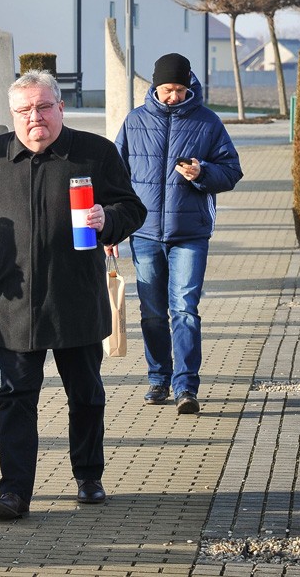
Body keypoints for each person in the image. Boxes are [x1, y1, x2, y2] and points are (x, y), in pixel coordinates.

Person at [0, 71, 145, 520]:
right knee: (16, 396)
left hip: (75, 297)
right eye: (24, 110)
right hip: (14, 301)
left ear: (60, 107)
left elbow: (132, 207)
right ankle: (14, 492)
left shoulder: (94, 152)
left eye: (43, 107)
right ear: (13, 115)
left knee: (85, 394)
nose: (34, 117)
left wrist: (107, 218)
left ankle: (88, 476)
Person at [113, 52, 242, 415]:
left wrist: (202, 174)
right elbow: (116, 178)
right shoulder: (135, 122)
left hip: (190, 233)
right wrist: (113, 227)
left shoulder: (208, 122)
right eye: (168, 89)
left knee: (184, 309)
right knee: (152, 312)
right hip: (145, 233)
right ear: (155, 86)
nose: (174, 96)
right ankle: (158, 378)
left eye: (181, 89)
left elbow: (231, 171)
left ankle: (186, 387)